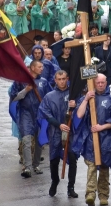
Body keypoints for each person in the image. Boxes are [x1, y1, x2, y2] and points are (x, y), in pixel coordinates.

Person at [73, 74, 111, 206]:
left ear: (106, 83)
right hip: (91, 139)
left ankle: (103, 196)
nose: (100, 85)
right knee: (92, 166)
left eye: (102, 82)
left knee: (105, 167)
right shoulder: (88, 98)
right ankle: (90, 194)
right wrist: (85, 99)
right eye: (98, 82)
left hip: (108, 139)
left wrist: (102, 127)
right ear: (94, 83)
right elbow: (79, 115)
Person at [38, 70, 79, 198]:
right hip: (56, 131)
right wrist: (58, 125)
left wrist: (75, 105)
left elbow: (83, 110)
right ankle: (54, 181)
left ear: (67, 79)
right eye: (59, 79)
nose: (62, 81)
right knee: (54, 159)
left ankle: (71, 187)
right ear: (55, 80)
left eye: (63, 79)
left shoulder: (73, 94)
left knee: (72, 158)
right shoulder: (49, 96)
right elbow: (45, 113)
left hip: (71, 131)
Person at [9, 60, 53, 178]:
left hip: (39, 114)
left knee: (39, 140)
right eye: (39, 67)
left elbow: (50, 97)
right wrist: (26, 89)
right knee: (27, 139)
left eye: (42, 67)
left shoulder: (43, 82)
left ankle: (36, 164)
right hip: (25, 113)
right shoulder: (20, 81)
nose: (42, 69)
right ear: (32, 67)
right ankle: (27, 167)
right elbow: (14, 97)